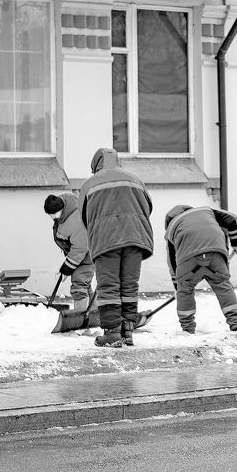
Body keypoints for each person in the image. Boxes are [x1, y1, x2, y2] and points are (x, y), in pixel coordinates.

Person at [80, 148, 153, 347]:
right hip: (135, 237)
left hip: (106, 240)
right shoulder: (135, 179)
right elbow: (148, 206)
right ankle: (127, 331)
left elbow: (84, 216)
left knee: (109, 285)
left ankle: (112, 333)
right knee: (129, 285)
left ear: (96, 165)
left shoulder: (89, 184)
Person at [165, 205, 237, 334]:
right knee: (223, 285)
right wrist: (236, 243)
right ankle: (236, 323)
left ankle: (187, 329)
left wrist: (178, 286)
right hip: (215, 254)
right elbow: (232, 219)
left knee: (185, 290)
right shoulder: (207, 211)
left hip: (188, 259)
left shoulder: (171, 228)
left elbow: (172, 261)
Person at [44, 193, 95, 313]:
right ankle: (95, 312)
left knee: (79, 284)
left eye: (54, 214)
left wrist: (66, 270)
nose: (53, 217)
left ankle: (81, 317)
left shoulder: (77, 221)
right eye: (50, 215)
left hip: (87, 253)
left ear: (62, 209)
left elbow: (79, 249)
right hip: (79, 253)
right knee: (85, 285)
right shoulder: (63, 204)